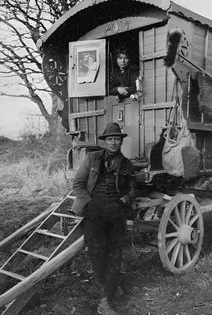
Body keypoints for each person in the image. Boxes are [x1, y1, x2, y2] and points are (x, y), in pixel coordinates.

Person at [71, 122, 136, 315]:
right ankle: (109, 289)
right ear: (105, 141)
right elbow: (78, 184)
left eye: (117, 139)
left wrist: (125, 199)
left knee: (115, 254)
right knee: (97, 254)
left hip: (116, 212)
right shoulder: (92, 158)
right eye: (110, 139)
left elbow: (133, 188)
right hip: (94, 211)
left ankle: (106, 301)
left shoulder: (126, 163)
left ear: (121, 141)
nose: (114, 142)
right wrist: (88, 203)